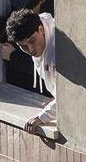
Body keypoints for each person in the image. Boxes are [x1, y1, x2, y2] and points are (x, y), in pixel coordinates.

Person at [4, 7, 57, 135]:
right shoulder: (42, 28)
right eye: (23, 46)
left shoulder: (57, 51)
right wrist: (56, 97)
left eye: (32, 41)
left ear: (40, 29)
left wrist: (42, 117)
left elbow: (70, 96)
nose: (30, 49)